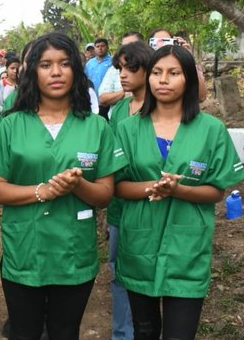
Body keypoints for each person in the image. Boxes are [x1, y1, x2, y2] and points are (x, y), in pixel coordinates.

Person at [0, 32, 119, 340]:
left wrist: (78, 186)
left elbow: (106, 195)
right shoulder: (12, 125)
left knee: (65, 332)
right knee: (24, 332)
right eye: (46, 65)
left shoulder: (97, 127)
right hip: (24, 252)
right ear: (33, 72)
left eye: (65, 64)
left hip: (73, 256)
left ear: (76, 71)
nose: (56, 72)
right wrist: (42, 192)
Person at [112, 45, 244, 340]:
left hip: (187, 249)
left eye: (174, 73)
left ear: (188, 79)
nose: (163, 80)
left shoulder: (211, 130)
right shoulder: (127, 129)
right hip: (140, 246)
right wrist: (153, 187)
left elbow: (216, 191)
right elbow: (118, 186)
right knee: (144, 332)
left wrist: (178, 190)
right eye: (157, 73)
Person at [105, 40, 155, 340]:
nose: (123, 75)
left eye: (131, 68)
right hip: (120, 206)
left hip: (155, 203)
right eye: (120, 68)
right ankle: (123, 333)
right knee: (119, 271)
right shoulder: (120, 109)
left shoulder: (162, 108)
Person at [148, 29, 208, 102]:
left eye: (166, 41)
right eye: (157, 42)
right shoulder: (144, 67)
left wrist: (189, 60)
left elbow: (201, 97)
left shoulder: (183, 66)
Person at [99, 32, 143, 115]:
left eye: (132, 45)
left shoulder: (151, 68)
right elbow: (102, 98)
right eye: (124, 46)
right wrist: (124, 94)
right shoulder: (113, 70)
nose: (122, 75)